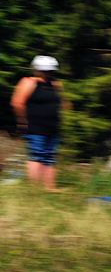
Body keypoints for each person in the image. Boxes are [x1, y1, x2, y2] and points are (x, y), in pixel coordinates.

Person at [10, 56, 67, 192]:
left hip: (52, 126)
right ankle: (34, 188)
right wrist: (22, 122)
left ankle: (49, 187)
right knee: (36, 155)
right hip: (35, 125)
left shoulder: (56, 84)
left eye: (49, 70)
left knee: (49, 156)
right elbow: (17, 102)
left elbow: (63, 103)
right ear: (36, 69)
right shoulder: (28, 82)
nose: (47, 73)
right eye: (44, 70)